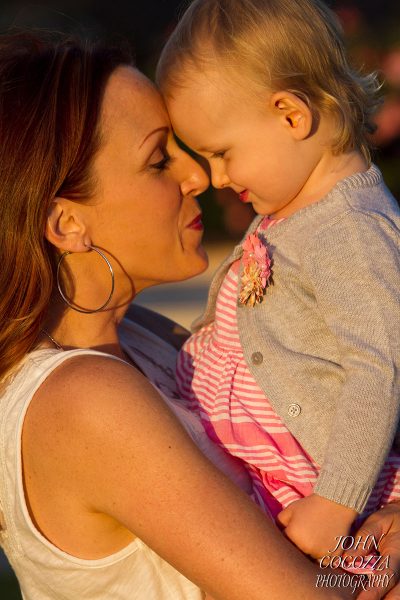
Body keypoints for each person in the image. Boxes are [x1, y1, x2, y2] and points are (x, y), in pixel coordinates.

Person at [0, 29, 366, 600]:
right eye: (157, 160)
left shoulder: (145, 341)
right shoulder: (85, 399)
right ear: (66, 223)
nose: (198, 175)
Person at [156, 0, 400, 562]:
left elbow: (377, 370)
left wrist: (335, 504)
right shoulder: (291, 209)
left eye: (222, 153)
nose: (214, 177)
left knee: (341, 589)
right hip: (290, 484)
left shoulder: (352, 231)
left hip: (333, 500)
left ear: (291, 115)